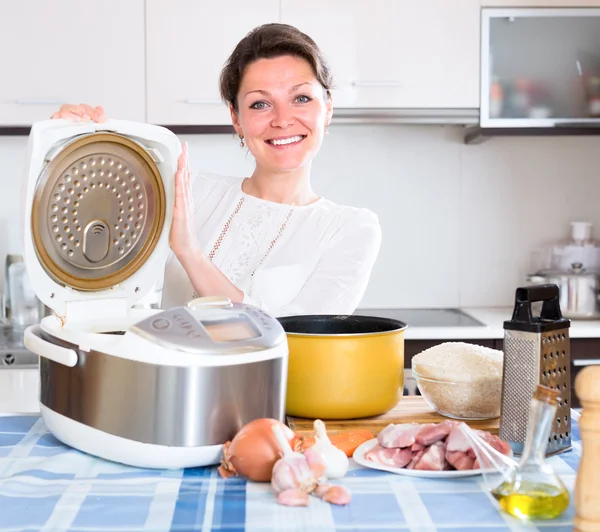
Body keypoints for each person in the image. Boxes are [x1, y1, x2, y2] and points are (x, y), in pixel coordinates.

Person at [50, 23, 381, 317]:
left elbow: (296, 342)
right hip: (170, 386)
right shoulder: (190, 191)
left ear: (328, 109)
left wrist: (190, 253)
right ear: (236, 118)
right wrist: (69, 146)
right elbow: (91, 251)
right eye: (260, 104)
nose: (282, 119)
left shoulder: (351, 230)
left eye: (302, 99)